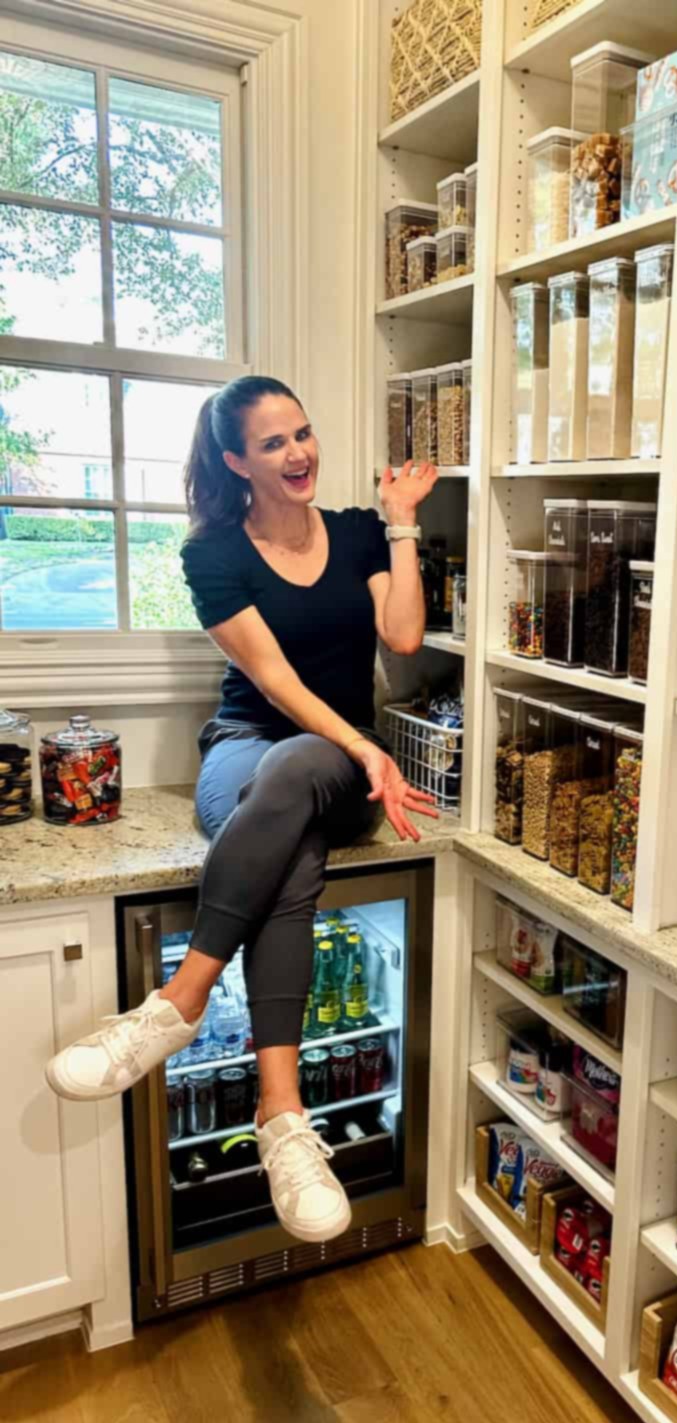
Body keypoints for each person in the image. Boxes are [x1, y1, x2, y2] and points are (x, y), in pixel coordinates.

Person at [46, 376, 439, 1243]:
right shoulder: (213, 554)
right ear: (236, 460)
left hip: (337, 769)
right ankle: (282, 1118)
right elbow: (275, 684)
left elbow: (404, 636)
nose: (298, 453)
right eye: (273, 444)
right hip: (246, 748)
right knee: (288, 843)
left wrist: (402, 522)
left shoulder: (360, 533)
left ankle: (176, 1004)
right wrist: (367, 744)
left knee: (302, 768)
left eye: (302, 434)